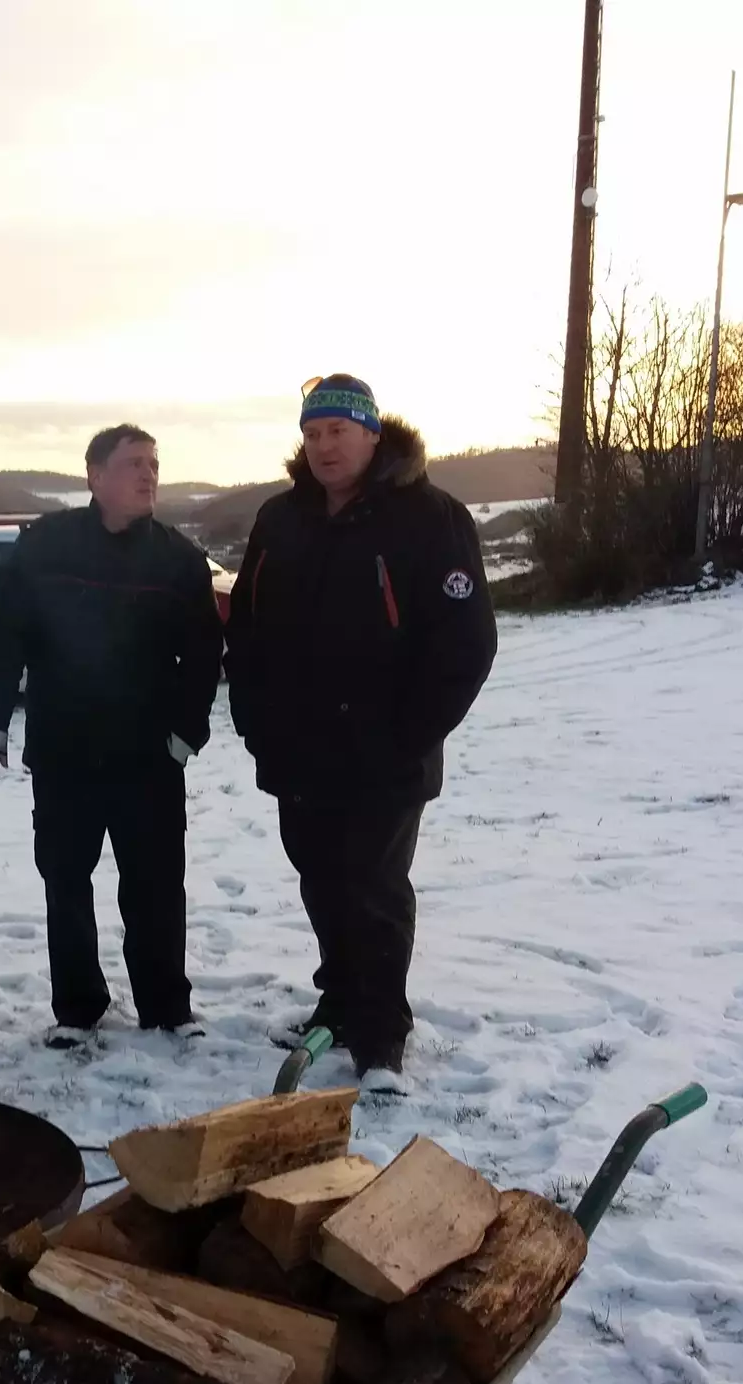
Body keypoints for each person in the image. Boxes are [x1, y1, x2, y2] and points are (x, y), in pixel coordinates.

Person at [224, 375, 497, 1082]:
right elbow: (245, 628)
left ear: (373, 434)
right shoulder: (281, 518)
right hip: (297, 751)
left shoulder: (430, 517)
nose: (324, 446)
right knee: (321, 881)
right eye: (312, 433)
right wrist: (256, 723)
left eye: (338, 431)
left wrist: (407, 737)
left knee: (374, 889)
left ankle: (380, 1031)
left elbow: (465, 645)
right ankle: (340, 1002)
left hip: (386, 755)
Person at [0, 424, 225, 1047]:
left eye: (154, 464)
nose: (148, 474)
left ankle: (166, 1006)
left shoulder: (177, 558)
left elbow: (203, 654)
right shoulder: (45, 547)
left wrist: (186, 734)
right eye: (134, 463)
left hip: (149, 756)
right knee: (65, 882)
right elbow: (2, 635)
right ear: (95, 475)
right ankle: (78, 1009)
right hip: (65, 751)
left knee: (156, 886)